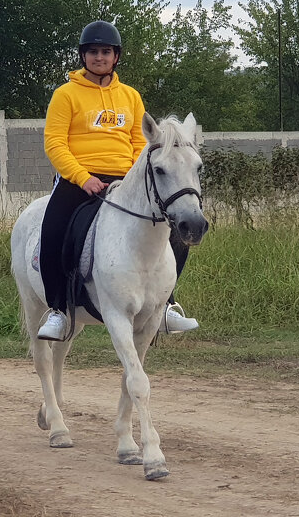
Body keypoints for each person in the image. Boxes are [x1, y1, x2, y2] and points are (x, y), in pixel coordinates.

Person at [36, 20, 199, 342]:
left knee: (177, 228)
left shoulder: (130, 96)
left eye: (106, 52)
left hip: (128, 178)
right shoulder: (65, 95)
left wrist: (134, 178)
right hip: (79, 179)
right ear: (83, 56)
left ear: (116, 57)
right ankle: (58, 310)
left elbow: (144, 144)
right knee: (53, 229)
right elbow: (54, 142)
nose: (100, 57)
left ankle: (165, 303)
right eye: (93, 51)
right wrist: (83, 178)